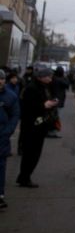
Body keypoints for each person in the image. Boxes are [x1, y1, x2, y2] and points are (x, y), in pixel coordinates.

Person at [16, 65, 59, 187]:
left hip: (40, 125)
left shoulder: (44, 87)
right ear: (41, 77)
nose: (50, 79)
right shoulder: (32, 88)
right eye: (48, 76)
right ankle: (24, 177)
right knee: (30, 153)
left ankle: (24, 176)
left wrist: (51, 103)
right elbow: (28, 107)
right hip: (31, 126)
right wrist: (44, 105)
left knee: (34, 153)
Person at [0, 69, 21, 210]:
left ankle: (0, 195)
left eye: (1, 79)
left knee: (0, 166)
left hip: (2, 137)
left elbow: (15, 116)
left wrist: (7, 132)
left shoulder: (11, 96)